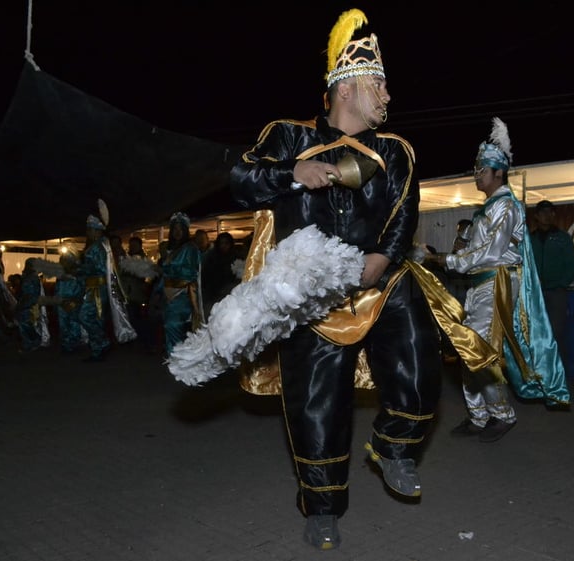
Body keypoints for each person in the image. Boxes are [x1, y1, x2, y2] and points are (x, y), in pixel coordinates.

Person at [228, 9, 441, 550]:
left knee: (419, 349)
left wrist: (380, 262)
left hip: (378, 278)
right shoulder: (287, 135)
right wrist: (290, 173)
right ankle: (322, 508)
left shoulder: (396, 151)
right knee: (317, 406)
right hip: (312, 295)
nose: (388, 95)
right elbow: (241, 180)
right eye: (380, 84)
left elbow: (401, 216)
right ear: (348, 85)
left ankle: (395, 445)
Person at [425, 118, 570, 426]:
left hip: (497, 283)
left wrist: (445, 261)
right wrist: (445, 257)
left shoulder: (507, 207)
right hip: (480, 285)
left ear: (498, 172)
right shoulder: (488, 208)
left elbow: (489, 253)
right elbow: (472, 253)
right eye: (476, 169)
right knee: (469, 351)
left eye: (482, 169)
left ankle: (502, 415)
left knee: (480, 353)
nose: (476, 175)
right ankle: (479, 417)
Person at [530, 199, 574, 367]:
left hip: (557, 292)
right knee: (535, 332)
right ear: (536, 216)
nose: (547, 216)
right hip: (535, 293)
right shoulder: (530, 239)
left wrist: (561, 283)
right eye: (543, 212)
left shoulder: (563, 238)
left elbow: (572, 264)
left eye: (550, 212)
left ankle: (557, 371)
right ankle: (538, 370)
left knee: (557, 331)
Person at [156, 212, 203, 358]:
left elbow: (190, 272)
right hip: (168, 293)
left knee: (173, 324)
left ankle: (177, 357)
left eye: (180, 229)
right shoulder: (170, 249)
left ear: (185, 231)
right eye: (174, 229)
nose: (177, 232)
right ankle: (177, 356)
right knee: (171, 325)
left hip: (183, 293)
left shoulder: (191, 248)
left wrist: (167, 267)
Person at [77, 213, 113, 362]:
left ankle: (101, 343)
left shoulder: (98, 247)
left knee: (85, 316)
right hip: (94, 287)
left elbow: (101, 269)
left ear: (98, 231)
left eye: (91, 229)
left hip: (97, 288)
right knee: (96, 319)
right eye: (88, 229)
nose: (88, 232)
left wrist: (81, 269)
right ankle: (98, 349)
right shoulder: (98, 246)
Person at [200, 232, 241, 315]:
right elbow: (205, 279)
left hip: (231, 298)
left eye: (226, 243)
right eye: (221, 243)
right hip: (212, 297)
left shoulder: (236, 258)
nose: (224, 246)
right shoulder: (211, 258)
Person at [53, 251, 85, 354]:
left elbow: (82, 287)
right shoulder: (60, 274)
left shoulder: (78, 273)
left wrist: (78, 299)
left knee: (73, 322)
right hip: (62, 301)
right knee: (64, 323)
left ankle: (73, 344)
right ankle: (66, 345)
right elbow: (57, 288)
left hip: (73, 300)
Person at [16, 258, 43, 353]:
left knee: (26, 323)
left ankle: (33, 340)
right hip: (26, 302)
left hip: (28, 303)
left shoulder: (32, 277)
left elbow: (32, 293)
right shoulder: (28, 276)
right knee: (24, 323)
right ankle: (28, 342)